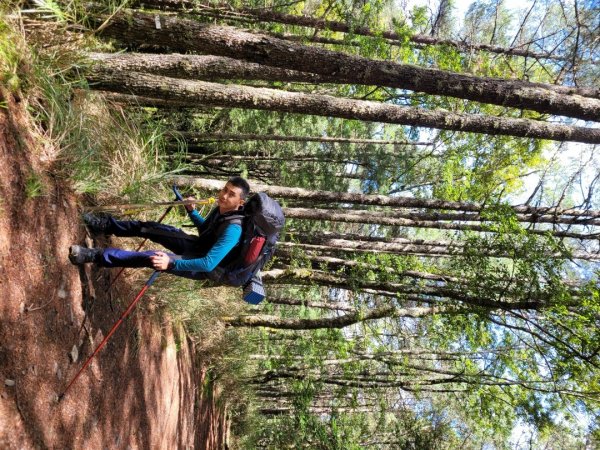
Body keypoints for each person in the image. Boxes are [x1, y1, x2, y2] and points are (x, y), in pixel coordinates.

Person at [69, 177, 250, 280]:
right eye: (224, 189)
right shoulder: (222, 210)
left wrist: (171, 263)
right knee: (152, 228)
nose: (224, 195)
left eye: (231, 194)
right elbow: (206, 233)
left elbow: (208, 263)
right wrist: (192, 212)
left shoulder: (234, 230)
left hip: (199, 265)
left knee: (153, 258)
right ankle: (104, 225)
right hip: (197, 246)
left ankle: (94, 255)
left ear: (240, 202)